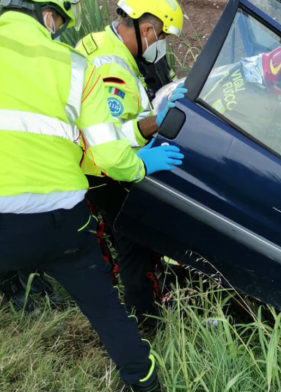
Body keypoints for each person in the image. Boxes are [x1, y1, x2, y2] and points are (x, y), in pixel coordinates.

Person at [0, 1, 183, 390]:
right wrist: (142, 165)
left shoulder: (92, 52)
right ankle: (145, 382)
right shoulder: (76, 66)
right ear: (48, 16)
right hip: (63, 217)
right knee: (108, 312)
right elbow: (107, 149)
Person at [74, 0, 185, 322]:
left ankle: (141, 301)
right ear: (148, 29)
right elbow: (107, 135)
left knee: (123, 239)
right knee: (135, 241)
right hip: (107, 171)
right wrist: (156, 123)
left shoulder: (100, 43)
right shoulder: (113, 69)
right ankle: (146, 316)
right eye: (163, 36)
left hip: (93, 165)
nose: (161, 45)